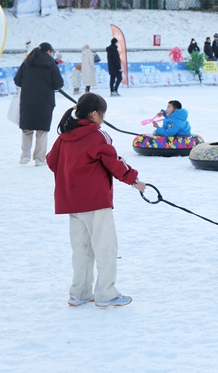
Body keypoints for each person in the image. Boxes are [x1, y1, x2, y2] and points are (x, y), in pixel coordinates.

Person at [46, 92, 146, 308]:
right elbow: (114, 163)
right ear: (94, 113)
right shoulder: (98, 136)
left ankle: (79, 292)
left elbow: (51, 161)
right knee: (105, 247)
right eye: (102, 113)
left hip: (72, 203)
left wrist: (72, 174)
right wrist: (134, 180)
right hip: (95, 203)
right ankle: (106, 293)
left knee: (81, 249)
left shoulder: (63, 137)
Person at [14, 42, 64, 166]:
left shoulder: (27, 63)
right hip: (45, 101)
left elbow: (17, 80)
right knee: (42, 131)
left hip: (27, 100)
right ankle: (39, 158)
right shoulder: (51, 64)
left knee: (27, 129)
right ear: (48, 52)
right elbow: (58, 84)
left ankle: (25, 156)